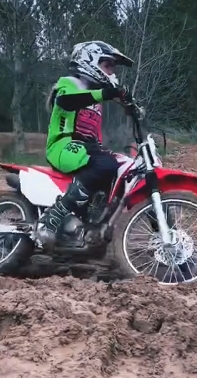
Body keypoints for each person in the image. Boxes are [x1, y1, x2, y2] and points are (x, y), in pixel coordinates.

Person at [37, 41, 135, 250]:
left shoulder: (95, 96)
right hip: (63, 146)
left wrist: (132, 106)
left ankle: (92, 223)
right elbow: (66, 102)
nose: (112, 71)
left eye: (112, 67)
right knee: (106, 164)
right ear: (91, 60)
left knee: (122, 167)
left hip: (86, 150)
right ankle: (53, 216)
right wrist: (106, 94)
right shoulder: (69, 84)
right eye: (108, 65)